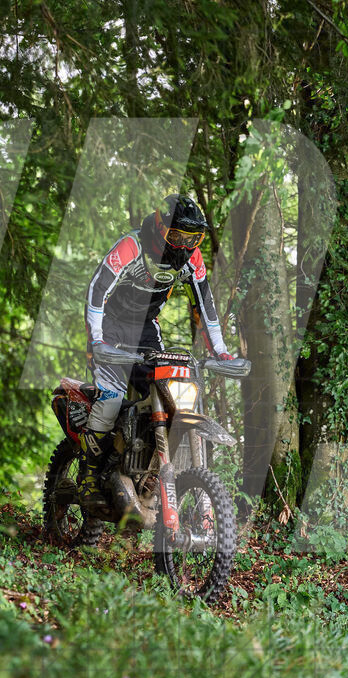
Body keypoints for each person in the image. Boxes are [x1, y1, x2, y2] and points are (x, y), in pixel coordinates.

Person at [79, 194, 234, 505]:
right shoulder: (130, 247)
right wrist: (96, 339)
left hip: (146, 330)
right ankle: (88, 478)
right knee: (109, 402)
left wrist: (220, 350)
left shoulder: (193, 258)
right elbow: (97, 289)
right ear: (162, 227)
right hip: (109, 326)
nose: (184, 244)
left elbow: (206, 305)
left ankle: (149, 474)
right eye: (177, 235)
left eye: (193, 238)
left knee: (170, 396)